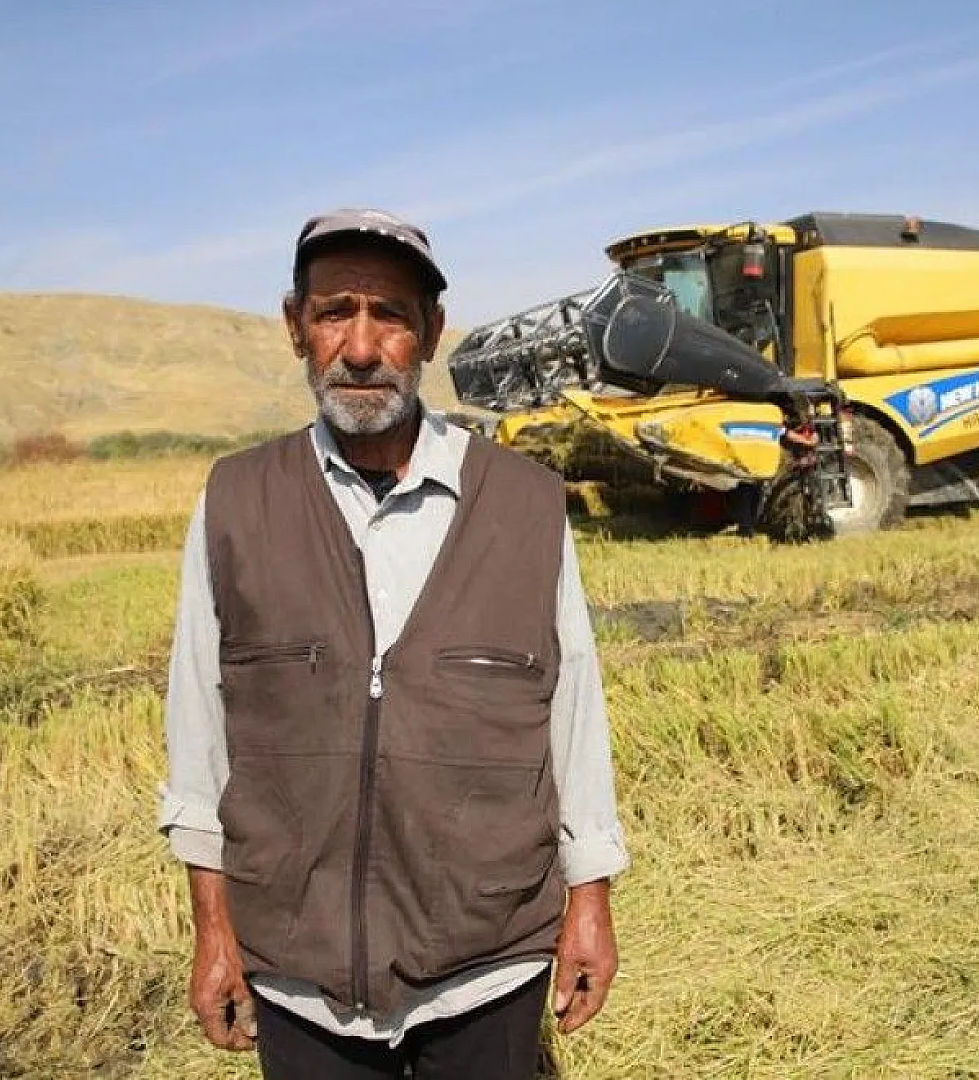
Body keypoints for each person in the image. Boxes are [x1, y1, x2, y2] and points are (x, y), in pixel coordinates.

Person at [157, 208, 629, 1079]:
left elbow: (573, 714)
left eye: (393, 316)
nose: (363, 347)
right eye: (336, 311)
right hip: (296, 971)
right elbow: (200, 739)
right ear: (295, 326)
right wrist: (214, 931)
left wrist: (590, 898)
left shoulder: (525, 504)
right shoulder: (235, 502)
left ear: (433, 333)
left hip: (487, 963)